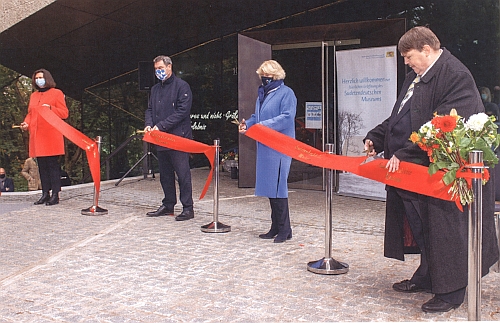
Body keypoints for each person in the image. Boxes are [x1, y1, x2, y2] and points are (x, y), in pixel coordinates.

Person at [363, 26, 499, 313]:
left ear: (427, 49)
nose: (406, 63)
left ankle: (452, 291)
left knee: (445, 231)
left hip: (443, 175)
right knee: (423, 228)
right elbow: (399, 116)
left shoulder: (455, 75)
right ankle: (428, 276)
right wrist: (376, 137)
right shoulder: (416, 76)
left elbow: (445, 129)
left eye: (409, 56)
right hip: (413, 172)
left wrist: (403, 152)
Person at [239, 60, 297, 243]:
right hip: (265, 146)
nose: (263, 78)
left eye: (267, 75)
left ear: (276, 75)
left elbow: (287, 118)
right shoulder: (262, 95)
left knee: (279, 188)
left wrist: (261, 126)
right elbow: (257, 116)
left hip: (280, 147)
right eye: (261, 75)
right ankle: (275, 226)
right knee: (271, 189)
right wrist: (247, 123)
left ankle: (285, 229)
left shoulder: (287, 93)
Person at [144, 55, 195, 221]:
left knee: (182, 174)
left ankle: (188, 208)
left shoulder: (182, 86)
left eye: (161, 68)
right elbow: (149, 110)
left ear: (169, 67)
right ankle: (168, 204)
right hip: (160, 139)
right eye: (156, 69)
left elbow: (182, 112)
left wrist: (161, 126)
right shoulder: (155, 89)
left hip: (178, 138)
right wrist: (149, 124)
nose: (159, 71)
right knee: (165, 175)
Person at [21, 69, 69, 206]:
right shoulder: (33, 96)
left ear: (47, 78)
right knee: (41, 166)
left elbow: (64, 113)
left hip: (51, 135)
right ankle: (44, 194)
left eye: (41, 77)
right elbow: (31, 114)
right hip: (37, 135)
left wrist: (51, 108)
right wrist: (26, 123)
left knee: (52, 166)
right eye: (36, 78)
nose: (38, 80)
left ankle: (55, 195)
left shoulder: (57, 93)